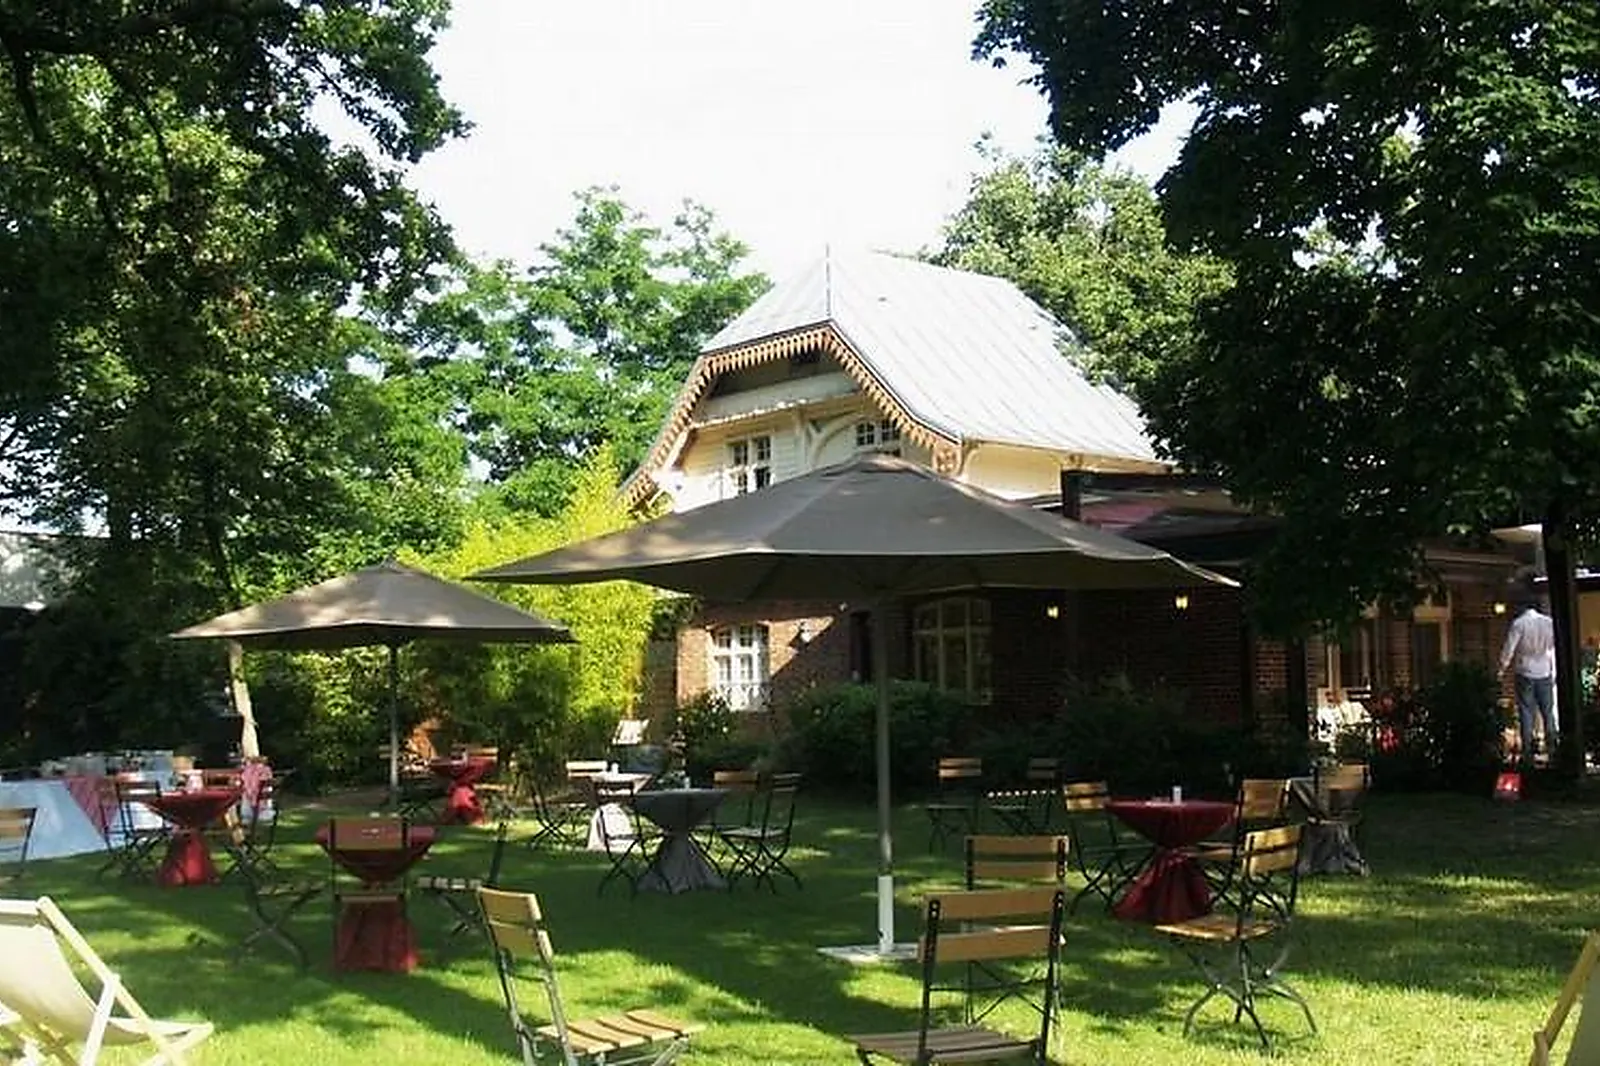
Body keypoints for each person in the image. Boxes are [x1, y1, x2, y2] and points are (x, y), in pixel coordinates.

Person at [1499, 599, 1557, 763]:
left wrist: (1502, 668)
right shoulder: (1548, 623)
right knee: (1548, 713)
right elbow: (1552, 647)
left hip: (1525, 672)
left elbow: (1509, 648)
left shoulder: (1519, 624)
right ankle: (1553, 751)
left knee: (1526, 712)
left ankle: (1528, 754)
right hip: (1544, 671)